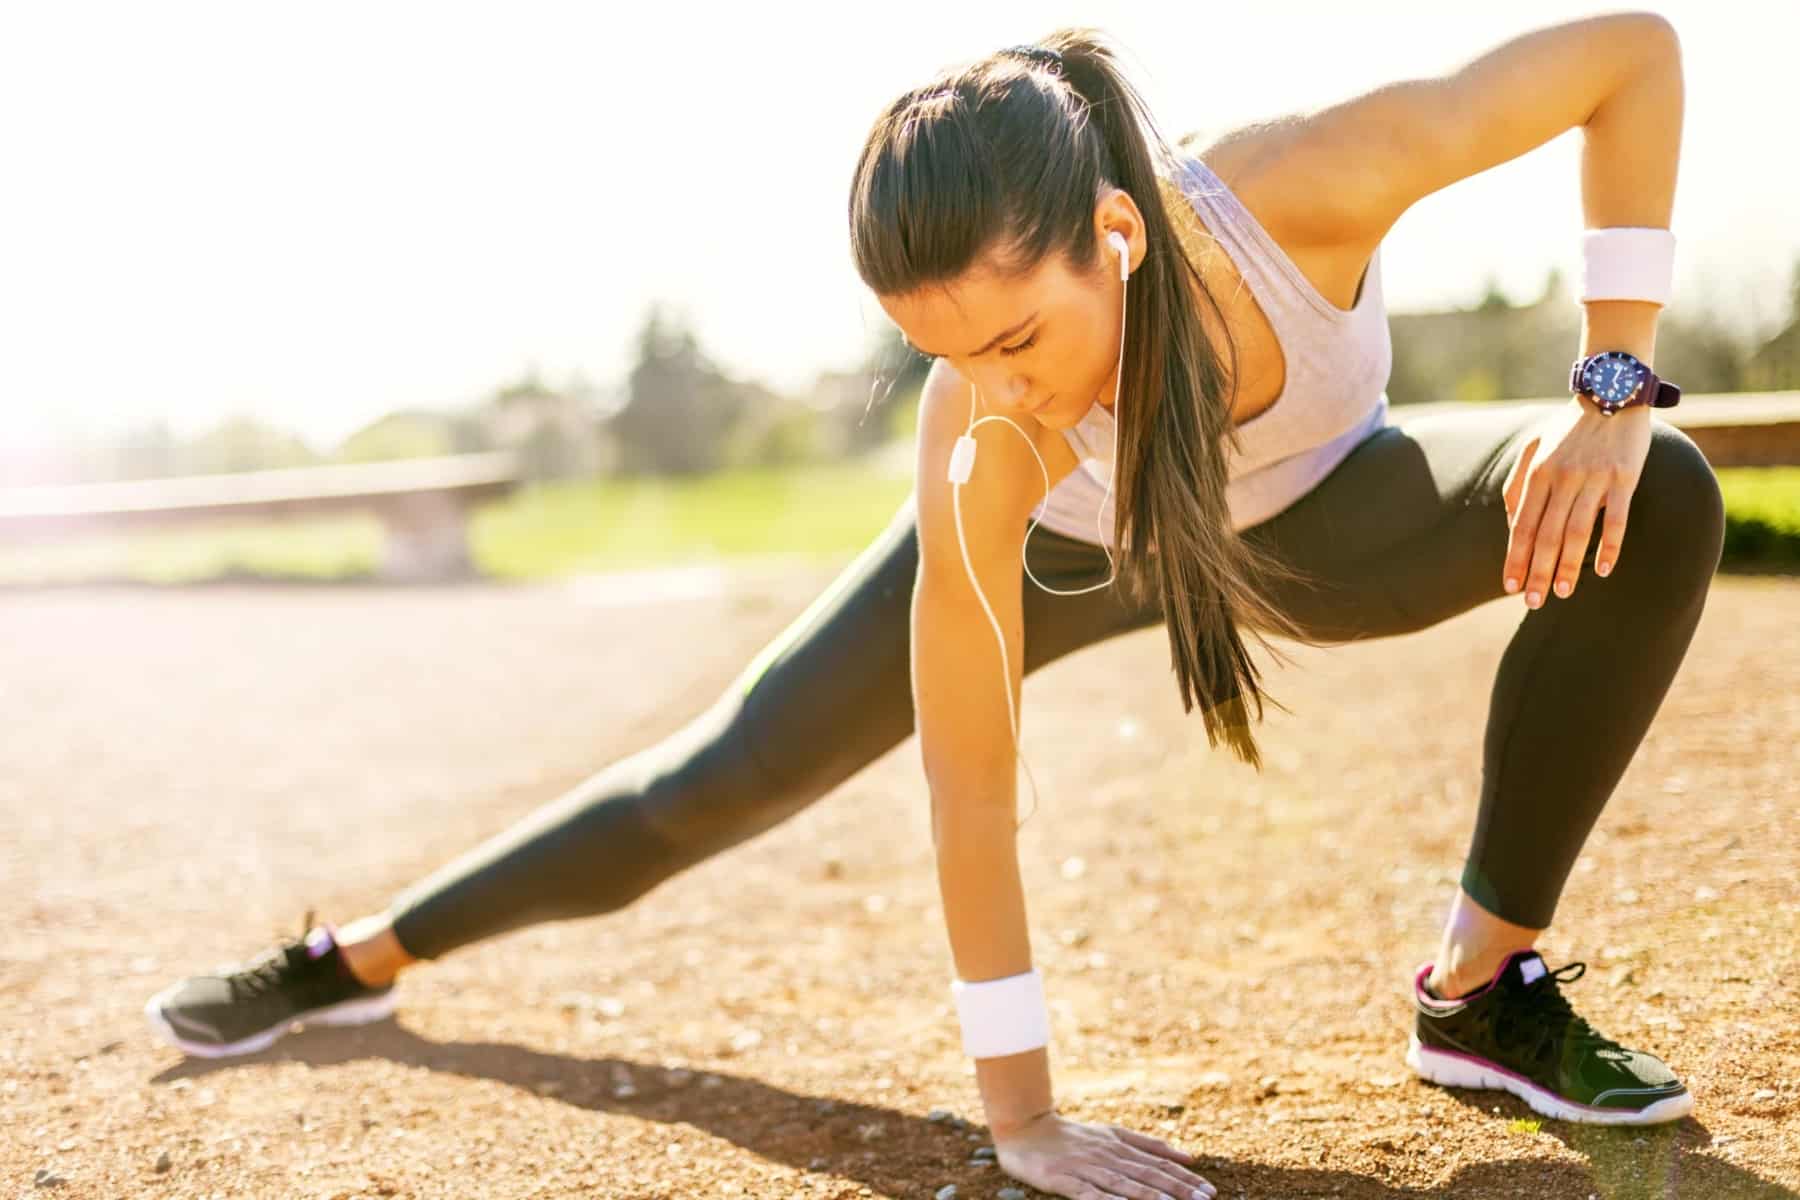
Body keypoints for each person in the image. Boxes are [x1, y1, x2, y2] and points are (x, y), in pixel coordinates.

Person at [147, 20, 1718, 1199]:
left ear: (1116, 232)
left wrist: (1611, 386)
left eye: (1021, 338)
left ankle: (1476, 991)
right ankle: (352, 959)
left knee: (1663, 492)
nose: (994, 390)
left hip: (1321, 521)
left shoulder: (1295, 188)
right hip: (1066, 555)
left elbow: (1632, 58)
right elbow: (973, 797)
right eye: (946, 356)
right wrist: (1022, 1116)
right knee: (716, 776)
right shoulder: (983, 449)